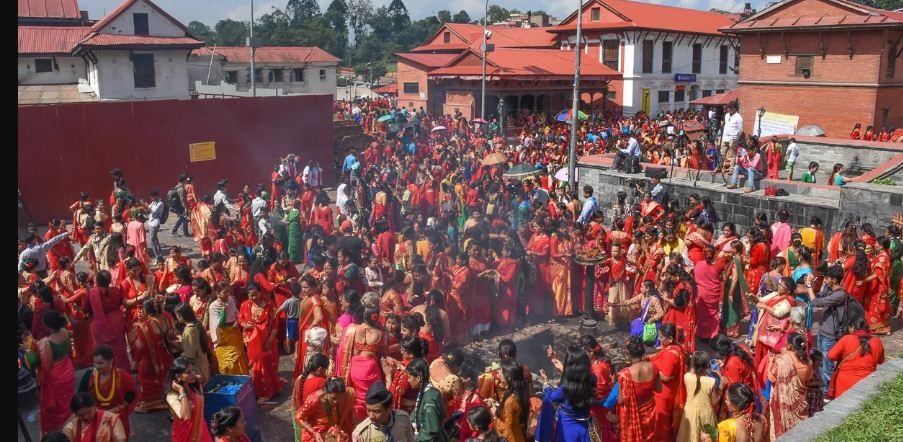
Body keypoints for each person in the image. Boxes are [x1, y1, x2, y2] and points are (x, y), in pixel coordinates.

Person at [803, 265, 864, 394]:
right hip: (823, 332)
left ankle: (828, 392)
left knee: (828, 366)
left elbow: (816, 302)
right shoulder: (830, 290)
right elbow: (818, 296)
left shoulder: (840, 295)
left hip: (831, 336)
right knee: (819, 362)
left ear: (834, 280)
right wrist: (812, 285)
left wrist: (808, 286)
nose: (825, 280)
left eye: (826, 278)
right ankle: (822, 387)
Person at [24, 310, 76, 436]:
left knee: (56, 407)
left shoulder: (45, 342)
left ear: (47, 325)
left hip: (55, 376)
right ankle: (72, 423)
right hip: (67, 369)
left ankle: (60, 431)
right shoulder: (64, 331)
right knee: (67, 400)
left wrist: (27, 350)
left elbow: (34, 361)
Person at [536, 346, 600, 442]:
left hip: (567, 433)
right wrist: (562, 369)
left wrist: (546, 384)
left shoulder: (565, 389)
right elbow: (578, 380)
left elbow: (550, 399)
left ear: (569, 366)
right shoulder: (592, 379)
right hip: (585, 431)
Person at [76, 345, 138, 437]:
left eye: (101, 363)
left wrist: (116, 410)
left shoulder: (122, 377)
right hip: (95, 419)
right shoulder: (89, 376)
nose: (97, 366)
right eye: (95, 363)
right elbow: (80, 396)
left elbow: (131, 395)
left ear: (111, 361)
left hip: (117, 418)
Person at [238, 283, 281, 403]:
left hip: (267, 341)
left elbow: (275, 325)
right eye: (250, 296)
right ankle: (261, 391)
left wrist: (270, 340)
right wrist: (245, 324)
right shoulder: (244, 305)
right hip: (252, 341)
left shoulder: (269, 305)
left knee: (269, 365)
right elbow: (240, 318)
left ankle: (270, 391)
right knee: (256, 367)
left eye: (255, 295)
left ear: (261, 293)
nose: (253, 298)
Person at [128, 300, 174, 412]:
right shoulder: (167, 317)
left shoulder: (144, 327)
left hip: (151, 361)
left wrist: (134, 364)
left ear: (145, 311)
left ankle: (147, 403)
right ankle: (165, 399)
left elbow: (139, 347)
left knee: (144, 377)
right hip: (167, 356)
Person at [826, 317, 885, 398]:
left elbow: (831, 355)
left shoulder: (846, 339)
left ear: (852, 328)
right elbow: (881, 360)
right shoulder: (877, 341)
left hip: (845, 382)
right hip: (867, 381)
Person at [767, 333, 812, 439]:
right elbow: (809, 378)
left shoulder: (783, 361)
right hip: (800, 400)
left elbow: (771, 377)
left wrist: (770, 362)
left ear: (790, 346)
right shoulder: (808, 361)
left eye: (787, 342)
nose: (785, 344)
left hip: (785, 403)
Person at [85, 270, 130, 371]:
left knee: (102, 351)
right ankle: (122, 373)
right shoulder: (116, 291)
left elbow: (86, 310)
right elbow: (122, 304)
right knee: (119, 351)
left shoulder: (91, 294)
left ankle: (105, 373)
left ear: (97, 280)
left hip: (99, 326)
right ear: (109, 281)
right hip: (116, 325)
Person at [651, 323, 687, 435]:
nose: (659, 339)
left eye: (661, 337)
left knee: (662, 421)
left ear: (670, 338)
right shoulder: (677, 347)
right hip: (670, 389)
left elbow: (665, 377)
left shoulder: (670, 354)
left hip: (663, 392)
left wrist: (651, 369)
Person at [167, 357, 213, 442]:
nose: (193, 374)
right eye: (188, 372)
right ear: (178, 376)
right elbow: (186, 416)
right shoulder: (172, 396)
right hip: (185, 435)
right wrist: (181, 391)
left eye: (192, 370)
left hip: (201, 430)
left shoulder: (195, 385)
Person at [351, 381, 416, 442]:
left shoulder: (403, 419)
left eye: (376, 411)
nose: (371, 416)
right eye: (368, 410)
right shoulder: (361, 433)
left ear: (389, 408)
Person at [209, 282, 249, 375]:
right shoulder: (214, 306)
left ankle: (243, 380)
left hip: (234, 333)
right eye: (225, 292)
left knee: (239, 357)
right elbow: (220, 324)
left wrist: (238, 322)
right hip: (223, 337)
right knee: (227, 362)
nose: (228, 294)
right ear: (217, 293)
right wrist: (224, 309)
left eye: (229, 291)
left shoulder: (231, 300)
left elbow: (236, 313)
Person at [677, 351, 717, 442]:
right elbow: (715, 401)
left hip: (690, 412)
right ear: (707, 366)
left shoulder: (687, 377)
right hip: (706, 415)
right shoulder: (711, 381)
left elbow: (693, 375)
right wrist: (721, 384)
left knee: (689, 437)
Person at [487, 359, 529, 442]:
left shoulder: (510, 401)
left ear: (509, 378)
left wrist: (494, 412)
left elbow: (506, 430)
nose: (499, 375)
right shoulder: (521, 392)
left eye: (502, 373)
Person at [407, 358, 447, 441]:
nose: (408, 380)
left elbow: (430, 432)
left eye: (409, 377)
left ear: (418, 378)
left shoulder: (430, 399)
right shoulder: (424, 392)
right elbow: (414, 417)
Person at [292, 354, 331, 440]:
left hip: (303, 419)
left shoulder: (300, 378)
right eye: (325, 370)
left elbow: (295, 398)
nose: (325, 372)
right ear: (319, 369)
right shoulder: (320, 382)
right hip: (316, 424)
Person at [62, 392, 127, 442]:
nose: (86, 417)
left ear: (94, 406)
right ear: (75, 414)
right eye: (81, 415)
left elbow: (120, 439)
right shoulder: (70, 428)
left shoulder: (111, 419)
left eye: (89, 412)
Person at [174, 303, 212, 383]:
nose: (177, 318)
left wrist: (181, 352)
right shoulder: (197, 323)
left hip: (196, 368)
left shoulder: (189, 330)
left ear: (182, 316)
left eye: (177, 315)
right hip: (204, 363)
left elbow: (190, 355)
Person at [720, 104, 743, 171]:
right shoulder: (726, 115)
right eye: (728, 108)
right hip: (725, 137)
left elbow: (740, 129)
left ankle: (731, 168)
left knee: (733, 154)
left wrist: (736, 138)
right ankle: (719, 166)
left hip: (733, 138)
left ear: (734, 108)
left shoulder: (738, 117)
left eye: (730, 108)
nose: (728, 109)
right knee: (722, 153)